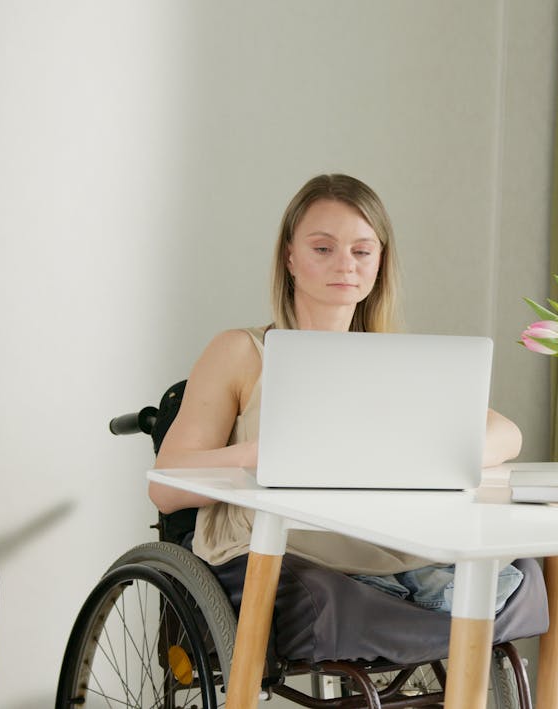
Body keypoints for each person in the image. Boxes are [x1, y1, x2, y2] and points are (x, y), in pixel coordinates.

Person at [149, 173, 524, 613]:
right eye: (323, 249)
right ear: (289, 257)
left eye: (362, 251)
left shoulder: (396, 360)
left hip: (379, 540)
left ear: (380, 262)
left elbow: (507, 434)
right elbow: (166, 485)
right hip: (280, 544)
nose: (345, 264)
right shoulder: (240, 351)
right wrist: (258, 454)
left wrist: (428, 458)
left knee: (523, 569)